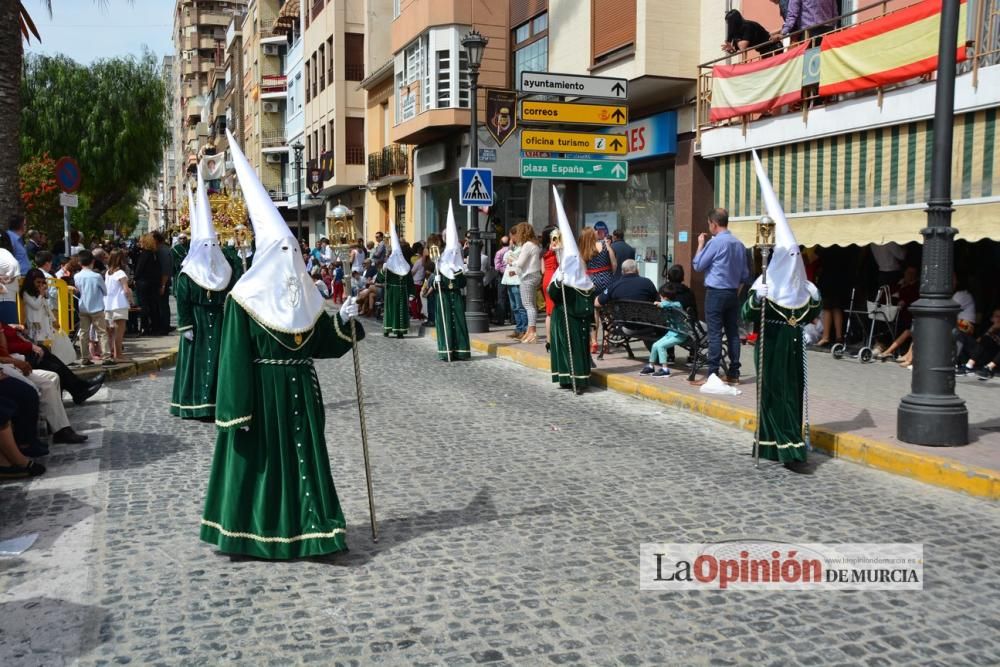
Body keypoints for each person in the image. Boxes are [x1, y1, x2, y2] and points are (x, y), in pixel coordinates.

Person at [200, 130, 364, 560]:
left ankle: (315, 530)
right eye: (285, 249)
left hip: (301, 394)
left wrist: (343, 320)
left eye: (294, 249)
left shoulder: (305, 294)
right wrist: (235, 413)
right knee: (265, 465)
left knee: (304, 461)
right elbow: (234, 360)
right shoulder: (243, 299)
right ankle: (253, 532)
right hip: (261, 396)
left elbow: (321, 343)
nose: (292, 257)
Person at [741, 151, 822, 465]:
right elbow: (747, 315)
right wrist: (755, 297)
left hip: (792, 347)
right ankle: (778, 446)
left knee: (792, 394)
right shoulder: (764, 285)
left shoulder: (806, 292)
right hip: (770, 344)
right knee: (772, 394)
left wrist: (814, 296)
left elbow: (812, 313)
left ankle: (788, 445)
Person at [692, 207, 749, 385]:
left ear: (714, 224)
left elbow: (698, 265)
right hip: (732, 293)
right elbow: (745, 275)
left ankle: (712, 375)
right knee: (733, 333)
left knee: (715, 334)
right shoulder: (739, 244)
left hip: (716, 292)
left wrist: (700, 245)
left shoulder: (715, 243)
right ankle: (734, 372)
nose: (709, 227)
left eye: (709, 224)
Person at [548, 187, 595, 394]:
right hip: (570, 318)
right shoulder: (570, 278)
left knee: (574, 349)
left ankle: (577, 379)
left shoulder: (577, 280)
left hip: (573, 318)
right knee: (571, 348)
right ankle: (572, 378)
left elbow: (556, 295)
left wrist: (560, 280)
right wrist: (560, 280)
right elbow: (555, 294)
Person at [434, 201, 470, 361]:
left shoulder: (459, 266)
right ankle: (447, 350)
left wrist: (458, 274)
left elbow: (462, 284)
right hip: (444, 298)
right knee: (446, 322)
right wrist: (436, 280)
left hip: (456, 296)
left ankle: (461, 351)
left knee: (460, 323)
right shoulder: (439, 263)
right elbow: (435, 285)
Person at [639, 284, 690, 378]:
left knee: (661, 346)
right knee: (655, 345)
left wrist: (660, 303)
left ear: (664, 297)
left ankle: (665, 369)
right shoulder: (667, 305)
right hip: (671, 333)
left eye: (660, 297)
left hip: (680, 334)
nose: (660, 299)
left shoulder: (676, 304)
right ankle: (651, 366)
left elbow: (671, 305)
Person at [580, 226, 617, 353]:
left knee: (594, 311)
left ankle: (594, 341)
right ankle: (606, 342)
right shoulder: (605, 245)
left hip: (592, 281)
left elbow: (584, 270)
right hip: (606, 278)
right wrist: (610, 274)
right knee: (607, 312)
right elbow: (614, 264)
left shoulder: (584, 249)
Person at [74, 250, 113, 366]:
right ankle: (106, 357)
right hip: (97, 307)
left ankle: (84, 357)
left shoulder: (77, 276)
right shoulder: (96, 276)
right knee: (102, 332)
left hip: (83, 308)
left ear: (80, 263)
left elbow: (78, 290)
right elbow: (105, 291)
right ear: (93, 262)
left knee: (83, 333)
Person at [512, 222, 542, 344]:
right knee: (531, 305)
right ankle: (530, 331)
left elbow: (520, 263)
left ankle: (532, 332)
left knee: (528, 305)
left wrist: (512, 261)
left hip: (528, 276)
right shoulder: (535, 244)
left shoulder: (528, 245)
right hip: (535, 275)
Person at [382, 223, 413, 338]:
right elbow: (381, 278)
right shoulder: (389, 265)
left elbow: (410, 281)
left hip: (402, 292)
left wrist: (411, 293)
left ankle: (400, 331)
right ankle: (387, 329)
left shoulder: (406, 266)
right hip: (391, 292)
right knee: (391, 311)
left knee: (402, 312)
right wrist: (383, 270)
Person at [104, 250, 132, 362]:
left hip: (108, 304)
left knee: (111, 331)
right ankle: (118, 355)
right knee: (119, 332)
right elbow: (126, 290)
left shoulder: (107, 273)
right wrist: (131, 299)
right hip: (119, 304)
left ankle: (112, 353)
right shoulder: (121, 273)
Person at [957, 308, 1000, 380]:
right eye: (997, 316)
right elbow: (978, 341)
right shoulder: (987, 326)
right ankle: (966, 365)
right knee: (961, 335)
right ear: (992, 318)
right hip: (978, 353)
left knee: (987, 339)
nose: (999, 319)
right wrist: (991, 330)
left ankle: (988, 368)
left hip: (992, 357)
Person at [134, 234, 161, 335]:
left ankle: (144, 327)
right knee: (152, 305)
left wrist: (134, 278)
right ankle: (154, 326)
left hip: (143, 282)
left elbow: (139, 269)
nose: (140, 243)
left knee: (143, 305)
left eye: (141, 241)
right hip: (152, 283)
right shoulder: (153, 254)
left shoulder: (144, 254)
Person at [774, 0, 838, 42]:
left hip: (809, 33)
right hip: (828, 31)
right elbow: (835, 13)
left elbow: (792, 15)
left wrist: (783, 33)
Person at [501, 237, 526, 340]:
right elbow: (505, 260)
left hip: (517, 280)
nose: (510, 241)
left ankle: (523, 329)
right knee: (514, 307)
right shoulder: (509, 251)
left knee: (520, 307)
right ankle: (518, 328)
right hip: (509, 280)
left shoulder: (521, 250)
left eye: (511, 239)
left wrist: (512, 260)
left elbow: (519, 262)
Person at [540, 226, 560, 351]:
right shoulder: (555, 247)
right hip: (554, 277)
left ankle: (549, 341)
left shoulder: (543, 250)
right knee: (556, 310)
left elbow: (542, 270)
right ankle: (556, 339)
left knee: (549, 312)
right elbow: (560, 262)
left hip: (546, 277)